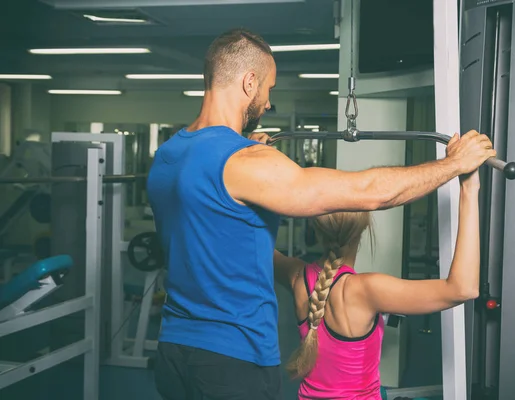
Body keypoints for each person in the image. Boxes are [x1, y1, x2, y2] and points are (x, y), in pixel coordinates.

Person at [146, 27, 495, 400]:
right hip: (231, 360)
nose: (267, 103)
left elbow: (215, 234)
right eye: (268, 89)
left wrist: (246, 148)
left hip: (173, 351)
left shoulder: (168, 156)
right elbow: (370, 193)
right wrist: (455, 166)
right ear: (249, 83)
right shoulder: (245, 162)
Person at [272, 167, 480, 400]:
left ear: (316, 229)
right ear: (364, 228)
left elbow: (257, 247)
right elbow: (464, 288)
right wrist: (469, 189)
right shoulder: (367, 289)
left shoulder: (297, 277)